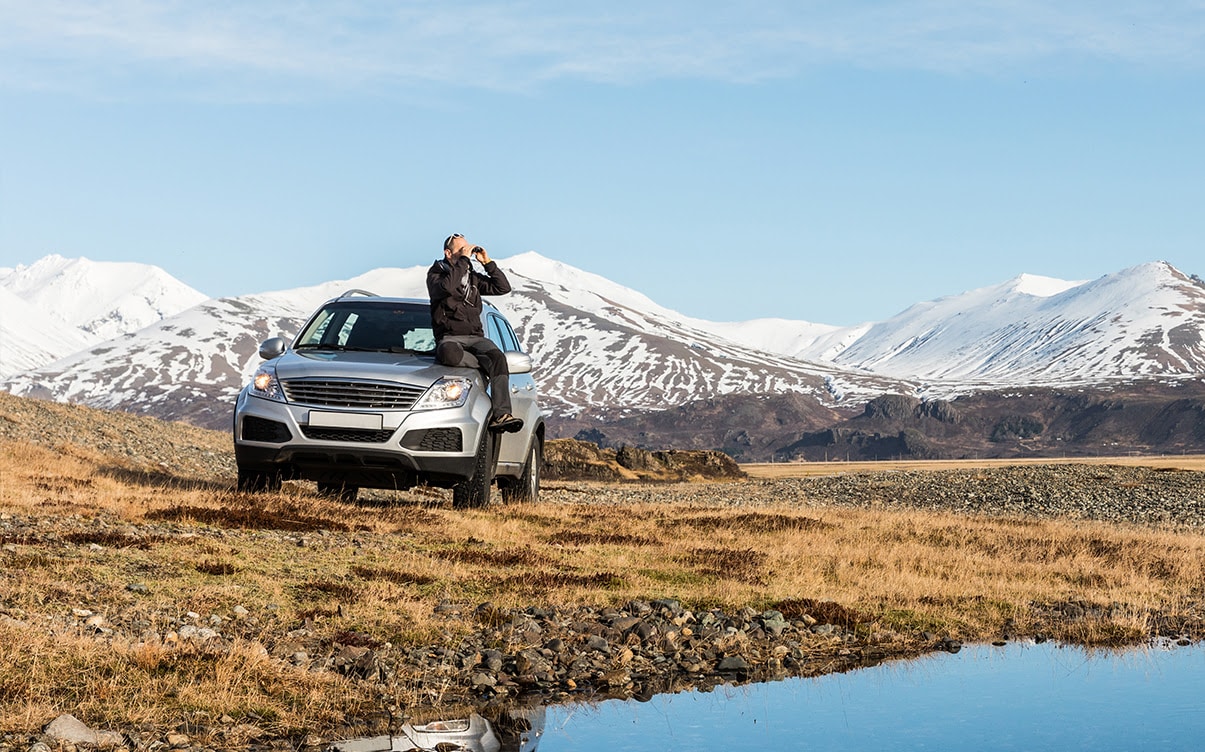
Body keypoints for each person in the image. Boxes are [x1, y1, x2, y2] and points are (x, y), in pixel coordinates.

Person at [427, 233, 523, 433]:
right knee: (450, 354)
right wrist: (463, 259)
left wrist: (487, 263)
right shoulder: (436, 274)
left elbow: (502, 287)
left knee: (497, 358)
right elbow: (448, 287)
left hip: (476, 337)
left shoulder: (472, 278)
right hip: (450, 338)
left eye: (467, 249)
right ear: (448, 253)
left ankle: (501, 415)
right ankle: (483, 366)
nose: (467, 254)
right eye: (462, 250)